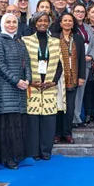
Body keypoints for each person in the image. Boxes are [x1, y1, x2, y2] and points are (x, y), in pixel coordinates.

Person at [0, 13, 30, 169]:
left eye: (14, 22)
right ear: (2, 24)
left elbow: (27, 63)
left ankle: (17, 155)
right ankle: (6, 158)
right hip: (4, 91)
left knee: (17, 124)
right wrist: (16, 81)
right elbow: (0, 65)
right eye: (8, 22)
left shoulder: (20, 41)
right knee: (6, 126)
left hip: (19, 90)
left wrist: (27, 80)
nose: (12, 25)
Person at [23, 11, 62, 161]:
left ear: (49, 23)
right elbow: (23, 63)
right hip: (32, 86)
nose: (43, 23)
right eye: (40, 21)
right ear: (34, 22)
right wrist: (29, 81)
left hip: (49, 86)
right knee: (32, 121)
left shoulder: (56, 41)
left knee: (48, 121)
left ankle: (46, 151)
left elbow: (60, 65)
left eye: (45, 21)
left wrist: (54, 81)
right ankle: (33, 151)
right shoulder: (26, 40)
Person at [56, 13, 86, 143]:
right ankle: (57, 134)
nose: (67, 23)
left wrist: (81, 76)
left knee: (70, 108)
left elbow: (82, 58)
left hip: (73, 78)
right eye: (65, 20)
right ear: (60, 23)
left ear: (73, 24)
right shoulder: (54, 38)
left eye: (70, 21)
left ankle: (67, 133)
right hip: (58, 79)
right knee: (58, 107)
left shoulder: (78, 38)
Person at [70, 3, 94, 126]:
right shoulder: (69, 26)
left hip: (85, 64)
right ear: (72, 12)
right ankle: (71, 119)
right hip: (72, 64)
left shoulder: (88, 28)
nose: (80, 14)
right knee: (72, 93)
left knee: (80, 92)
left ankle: (77, 118)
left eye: (82, 12)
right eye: (77, 11)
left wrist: (91, 56)